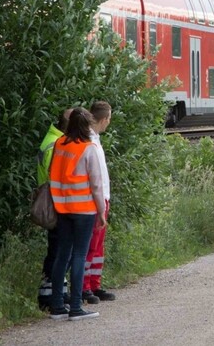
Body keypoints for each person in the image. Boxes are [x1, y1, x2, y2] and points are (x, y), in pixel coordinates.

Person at [48, 107, 107, 321]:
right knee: (80, 255)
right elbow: (96, 185)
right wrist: (101, 211)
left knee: (62, 255)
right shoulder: (88, 148)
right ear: (87, 125)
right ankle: (75, 306)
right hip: (83, 209)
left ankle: (57, 306)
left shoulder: (59, 144)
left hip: (62, 207)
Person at [37, 108, 72, 311]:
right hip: (55, 203)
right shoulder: (55, 144)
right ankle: (49, 296)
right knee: (58, 250)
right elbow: (57, 177)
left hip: (54, 201)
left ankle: (58, 291)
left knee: (60, 249)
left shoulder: (55, 140)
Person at [82, 101, 115, 304]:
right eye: (109, 119)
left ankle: (94, 284)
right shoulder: (88, 141)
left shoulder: (95, 139)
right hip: (95, 200)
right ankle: (85, 286)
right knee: (90, 246)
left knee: (98, 247)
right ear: (103, 119)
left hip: (103, 198)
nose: (109, 123)